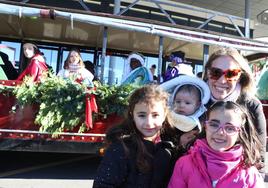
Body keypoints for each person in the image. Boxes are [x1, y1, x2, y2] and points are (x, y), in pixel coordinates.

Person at [168, 101, 265, 188]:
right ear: (205, 127)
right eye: (214, 124)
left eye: (229, 128)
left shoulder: (249, 173)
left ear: (240, 133)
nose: (220, 132)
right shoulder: (184, 164)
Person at [93, 85, 174, 188]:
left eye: (155, 115)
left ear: (164, 114)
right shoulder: (121, 148)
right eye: (142, 115)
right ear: (132, 115)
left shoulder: (172, 146)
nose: (149, 123)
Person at [203, 47, 266, 175]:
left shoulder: (252, 106)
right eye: (215, 72)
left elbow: (259, 157)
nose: (222, 80)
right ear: (207, 73)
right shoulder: (193, 99)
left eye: (231, 74)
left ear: (240, 76)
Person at [160, 75, 210, 157]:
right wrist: (179, 143)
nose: (181, 105)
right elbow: (164, 141)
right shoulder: (169, 119)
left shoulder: (200, 122)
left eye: (187, 103)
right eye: (178, 101)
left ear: (198, 105)